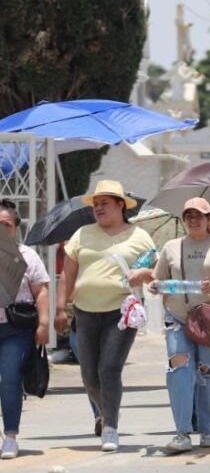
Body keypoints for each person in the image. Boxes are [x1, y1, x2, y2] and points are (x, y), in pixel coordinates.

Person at [58, 180, 155, 452]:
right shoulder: (82, 234)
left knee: (109, 368)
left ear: (120, 205)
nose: (98, 209)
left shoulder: (139, 237)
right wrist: (59, 308)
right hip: (85, 312)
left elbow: (156, 270)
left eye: (105, 204)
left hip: (121, 312)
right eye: (96, 205)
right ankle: (108, 409)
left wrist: (143, 274)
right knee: (89, 374)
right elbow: (68, 273)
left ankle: (110, 426)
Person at [150, 198, 210, 454]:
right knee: (179, 370)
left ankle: (207, 429)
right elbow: (158, 279)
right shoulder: (171, 247)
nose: (194, 220)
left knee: (206, 374)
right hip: (178, 318)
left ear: (209, 219)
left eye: (199, 215)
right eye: (189, 215)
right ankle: (181, 432)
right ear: (183, 219)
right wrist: (155, 287)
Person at [0, 200, 50, 460]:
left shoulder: (28, 255)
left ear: (16, 228)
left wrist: (43, 324)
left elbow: (41, 291)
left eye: (5, 225)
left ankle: (10, 436)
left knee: (9, 378)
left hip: (16, 329)